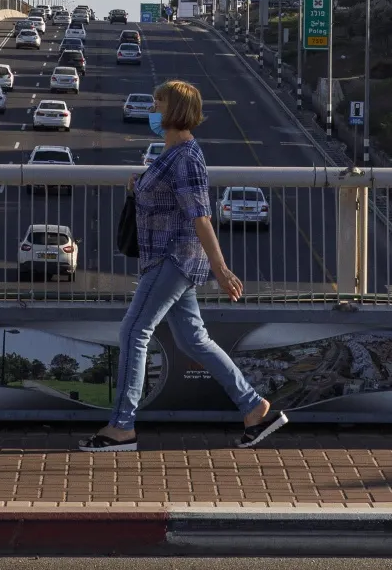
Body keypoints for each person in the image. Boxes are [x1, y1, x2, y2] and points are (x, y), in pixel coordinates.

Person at [80, 79, 287, 452]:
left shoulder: (187, 157)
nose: (152, 110)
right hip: (166, 257)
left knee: (133, 332)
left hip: (172, 258)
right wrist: (138, 186)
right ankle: (256, 408)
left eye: (157, 103)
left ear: (174, 110)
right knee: (195, 339)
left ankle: (122, 427)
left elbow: (201, 217)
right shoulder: (170, 155)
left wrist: (221, 269)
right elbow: (168, 199)